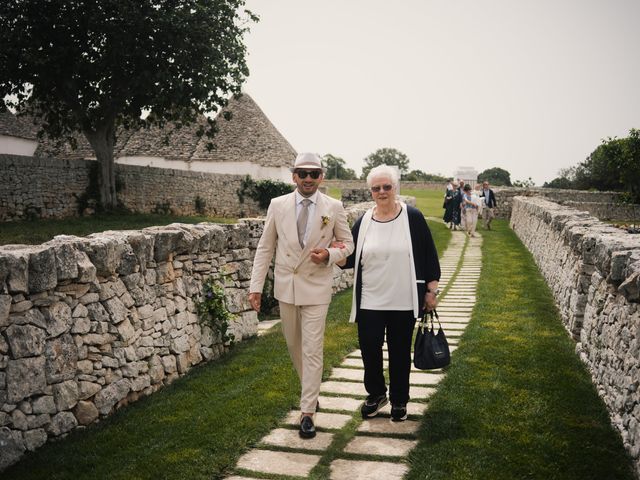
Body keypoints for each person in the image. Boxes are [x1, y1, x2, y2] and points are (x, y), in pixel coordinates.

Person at [248, 152, 354, 439]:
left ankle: (307, 412)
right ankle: (312, 390)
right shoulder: (277, 205)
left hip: (317, 288)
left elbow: (348, 244)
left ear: (322, 177)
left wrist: (330, 254)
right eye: (302, 173)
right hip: (286, 288)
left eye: (314, 173)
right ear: (293, 176)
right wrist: (255, 286)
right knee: (295, 347)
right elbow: (265, 248)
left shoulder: (333, 206)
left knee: (312, 348)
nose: (308, 178)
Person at [337, 164, 441, 422]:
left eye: (387, 187)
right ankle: (376, 394)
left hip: (403, 300)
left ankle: (399, 400)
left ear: (395, 188)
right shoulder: (363, 222)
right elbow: (348, 259)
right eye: (376, 188)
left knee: (399, 352)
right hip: (370, 300)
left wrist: (430, 290)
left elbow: (429, 255)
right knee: (369, 350)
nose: (382, 192)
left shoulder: (412, 217)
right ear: (370, 191)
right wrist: (332, 251)